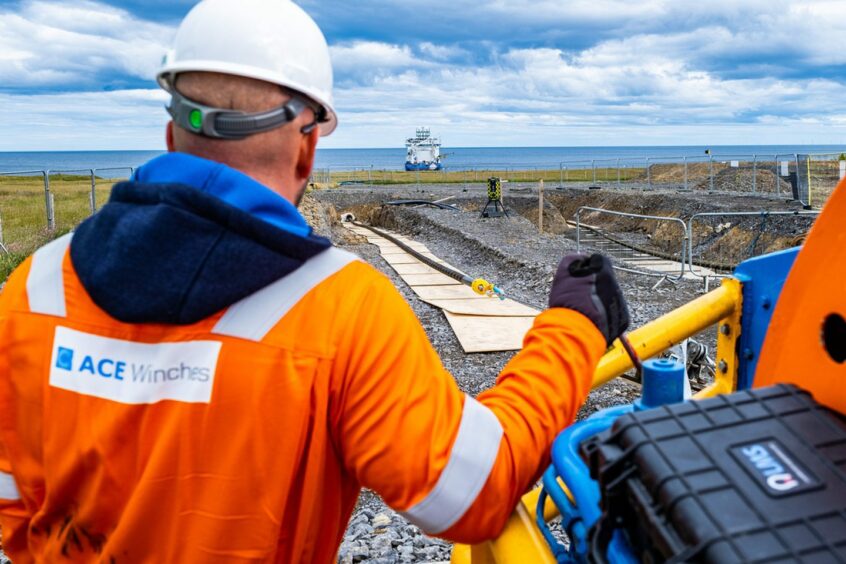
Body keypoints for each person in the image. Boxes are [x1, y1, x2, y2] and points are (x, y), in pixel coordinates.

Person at [0, 0, 630, 562]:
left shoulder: (33, 289)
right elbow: (476, 490)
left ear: (171, 133)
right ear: (306, 148)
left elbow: (11, 502)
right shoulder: (340, 309)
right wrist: (573, 331)